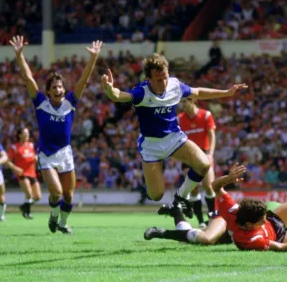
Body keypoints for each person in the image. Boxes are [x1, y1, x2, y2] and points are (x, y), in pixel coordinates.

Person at [101, 53, 247, 216]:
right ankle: (155, 185)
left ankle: (180, 197)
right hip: (151, 146)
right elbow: (120, 96)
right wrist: (109, 89)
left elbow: (197, 92)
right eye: (158, 79)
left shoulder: (174, 85)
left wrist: (227, 92)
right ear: (149, 79)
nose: (163, 83)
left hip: (174, 139)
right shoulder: (142, 92)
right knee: (156, 195)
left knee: (204, 164)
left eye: (165, 77)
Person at [10, 35, 103, 234]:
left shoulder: (70, 102)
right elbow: (28, 79)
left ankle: (61, 223)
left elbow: (84, 80)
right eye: (54, 88)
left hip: (65, 153)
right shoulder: (41, 103)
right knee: (57, 193)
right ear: (49, 92)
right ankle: (53, 217)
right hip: (47, 155)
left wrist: (93, 58)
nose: (59, 90)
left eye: (60, 86)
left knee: (69, 196)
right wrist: (19, 56)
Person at [145, 164, 287, 251]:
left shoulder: (232, 208)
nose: (265, 221)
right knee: (206, 239)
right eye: (262, 221)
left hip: (241, 231)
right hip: (238, 229)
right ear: (250, 224)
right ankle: (162, 232)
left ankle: (176, 211)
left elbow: (215, 187)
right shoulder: (253, 239)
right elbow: (280, 247)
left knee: (192, 237)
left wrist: (227, 179)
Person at [160, 97, 217, 228]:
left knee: (208, 185)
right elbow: (174, 137)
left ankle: (212, 215)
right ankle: (201, 221)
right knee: (194, 188)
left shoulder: (206, 115)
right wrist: (174, 155)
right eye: (181, 102)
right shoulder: (180, 118)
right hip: (188, 155)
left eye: (185, 101)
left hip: (204, 153)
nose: (182, 104)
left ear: (193, 101)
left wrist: (210, 154)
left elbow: (211, 135)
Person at [6, 127, 41, 219]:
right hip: (22, 173)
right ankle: (27, 211)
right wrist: (15, 168)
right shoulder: (15, 147)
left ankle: (24, 207)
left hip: (32, 173)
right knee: (29, 194)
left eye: (28, 133)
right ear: (20, 135)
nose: (27, 135)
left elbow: (34, 156)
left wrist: (36, 158)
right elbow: (8, 161)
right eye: (25, 133)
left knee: (38, 196)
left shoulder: (31, 145)